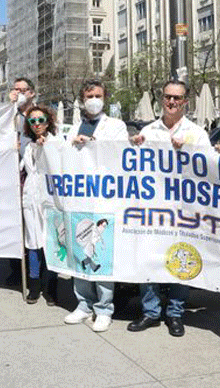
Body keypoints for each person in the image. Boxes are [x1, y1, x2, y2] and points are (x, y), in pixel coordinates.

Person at [127, 79, 211, 337]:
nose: (172, 102)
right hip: (151, 210)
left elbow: (209, 169)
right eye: (167, 97)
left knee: (180, 259)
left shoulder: (196, 133)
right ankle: (151, 312)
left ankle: (175, 313)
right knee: (147, 258)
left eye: (177, 98)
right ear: (161, 99)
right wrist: (132, 147)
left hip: (182, 211)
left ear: (186, 101)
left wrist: (188, 151)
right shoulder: (148, 131)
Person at [63, 80, 128, 332]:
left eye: (98, 95)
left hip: (104, 198)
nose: (93, 99)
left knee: (101, 255)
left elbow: (120, 153)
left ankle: (104, 308)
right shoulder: (73, 127)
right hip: (79, 198)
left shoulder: (116, 126)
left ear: (105, 98)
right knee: (80, 252)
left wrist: (93, 141)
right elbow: (64, 156)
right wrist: (73, 143)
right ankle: (82, 304)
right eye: (89, 95)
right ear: (82, 98)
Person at [21, 105, 60, 305]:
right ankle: (34, 285)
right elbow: (23, 169)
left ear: (48, 121)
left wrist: (47, 148)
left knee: (50, 242)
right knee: (33, 242)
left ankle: (51, 286)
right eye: (32, 121)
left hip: (50, 199)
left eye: (40, 120)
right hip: (31, 198)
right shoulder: (28, 146)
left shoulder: (56, 142)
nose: (37, 124)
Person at [6, 77, 38, 287]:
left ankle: (37, 276)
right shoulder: (8, 115)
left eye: (23, 90)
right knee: (14, 226)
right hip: (12, 175)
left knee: (34, 230)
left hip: (33, 176)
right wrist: (9, 107)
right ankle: (16, 271)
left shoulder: (38, 115)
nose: (19, 94)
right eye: (15, 90)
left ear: (32, 93)